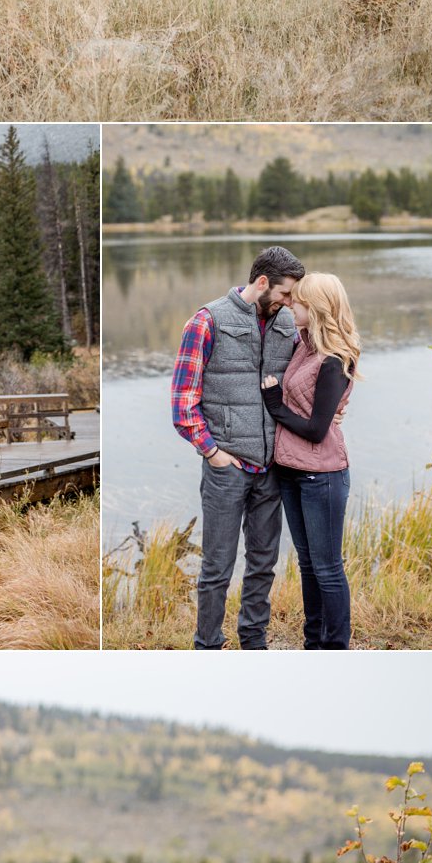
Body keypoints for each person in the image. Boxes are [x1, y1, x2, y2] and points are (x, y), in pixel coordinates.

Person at [171, 244, 304, 650]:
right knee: (217, 567)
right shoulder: (207, 321)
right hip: (227, 469)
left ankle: (254, 643)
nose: (289, 302)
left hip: (272, 469)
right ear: (262, 283)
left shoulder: (288, 326)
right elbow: (182, 404)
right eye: (284, 294)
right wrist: (213, 452)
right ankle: (208, 646)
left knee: (263, 564)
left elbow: (314, 376)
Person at [262, 271, 360, 650]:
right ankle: (312, 642)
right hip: (289, 472)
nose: (290, 305)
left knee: (328, 568)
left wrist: (275, 407)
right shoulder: (304, 345)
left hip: (322, 476)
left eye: (297, 301)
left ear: (316, 307)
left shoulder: (334, 360)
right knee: (307, 564)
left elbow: (318, 429)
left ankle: (335, 648)